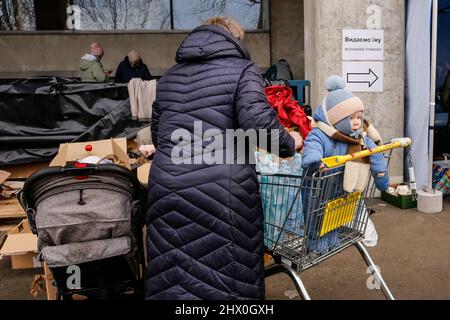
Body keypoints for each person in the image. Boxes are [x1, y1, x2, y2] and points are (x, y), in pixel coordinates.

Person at [145, 16, 302, 300]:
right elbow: (259, 124)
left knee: (174, 270)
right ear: (233, 38)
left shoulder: (168, 78)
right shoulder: (242, 70)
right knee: (227, 275)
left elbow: (159, 135)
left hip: (167, 186)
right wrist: (289, 143)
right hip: (222, 190)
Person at [301, 75, 389, 253]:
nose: (357, 122)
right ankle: (314, 243)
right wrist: (315, 161)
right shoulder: (321, 134)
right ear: (336, 119)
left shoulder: (360, 138)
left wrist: (381, 175)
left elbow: (375, 154)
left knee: (336, 215)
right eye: (350, 118)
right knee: (315, 216)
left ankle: (331, 239)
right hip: (318, 186)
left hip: (339, 188)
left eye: (359, 117)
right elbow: (312, 145)